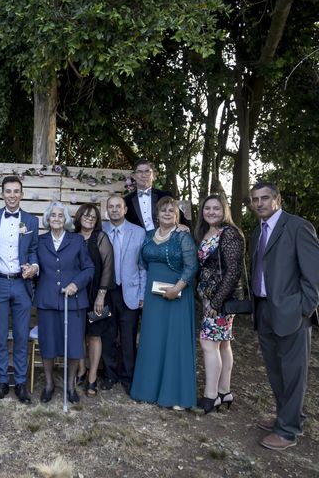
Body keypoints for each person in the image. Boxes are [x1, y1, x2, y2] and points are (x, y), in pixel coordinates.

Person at [249, 182, 319, 451]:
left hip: (292, 312)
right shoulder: (258, 232)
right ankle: (287, 415)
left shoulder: (298, 227)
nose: (259, 203)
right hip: (264, 308)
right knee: (276, 370)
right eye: (255, 199)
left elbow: (313, 275)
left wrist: (304, 309)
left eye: (265, 198)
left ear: (277, 199)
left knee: (293, 372)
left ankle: (288, 430)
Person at [130, 196, 198, 409]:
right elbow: (141, 264)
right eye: (163, 210)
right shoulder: (149, 236)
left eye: (172, 211)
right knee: (152, 340)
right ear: (156, 215)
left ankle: (176, 395)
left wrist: (177, 288)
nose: (167, 213)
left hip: (177, 294)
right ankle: (147, 390)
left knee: (174, 342)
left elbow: (192, 266)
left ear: (177, 215)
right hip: (153, 296)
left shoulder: (182, 237)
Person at [0, 176, 39, 404]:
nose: (12, 195)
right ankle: (1, 382)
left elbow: (34, 249)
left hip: (21, 283)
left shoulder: (31, 221)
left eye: (16, 191)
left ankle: (21, 383)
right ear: (2, 194)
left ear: (22, 194)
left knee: (20, 336)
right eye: (8, 191)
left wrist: (34, 267)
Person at [35, 201, 94, 404]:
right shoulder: (39, 241)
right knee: (48, 345)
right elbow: (34, 267)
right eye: (53, 215)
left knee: (74, 346)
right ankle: (49, 384)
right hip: (47, 301)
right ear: (48, 219)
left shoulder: (77, 241)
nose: (57, 219)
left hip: (74, 302)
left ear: (66, 219)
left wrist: (75, 285)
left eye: (61, 215)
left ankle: (70, 386)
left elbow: (89, 269)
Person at [194, 194, 245, 414]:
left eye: (216, 208)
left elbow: (233, 271)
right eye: (208, 208)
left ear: (224, 210)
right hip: (209, 297)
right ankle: (224, 391)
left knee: (208, 344)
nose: (212, 212)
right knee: (223, 343)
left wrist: (216, 302)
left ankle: (210, 396)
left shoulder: (230, 233)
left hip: (220, 299)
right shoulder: (205, 232)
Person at [102, 195, 146, 395]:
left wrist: (143, 294)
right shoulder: (101, 230)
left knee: (128, 338)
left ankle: (129, 377)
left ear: (125, 209)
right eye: (110, 207)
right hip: (106, 292)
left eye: (117, 206)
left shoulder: (139, 232)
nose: (114, 210)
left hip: (130, 291)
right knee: (108, 335)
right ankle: (110, 375)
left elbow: (143, 266)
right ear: (106, 210)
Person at [72, 203, 113, 397]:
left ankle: (93, 377)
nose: (89, 219)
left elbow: (108, 267)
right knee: (78, 334)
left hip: (98, 295)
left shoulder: (101, 238)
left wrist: (101, 294)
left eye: (93, 217)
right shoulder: (72, 238)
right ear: (79, 217)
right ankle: (81, 370)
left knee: (95, 335)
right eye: (86, 215)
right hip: (77, 295)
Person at [125, 159, 188, 230]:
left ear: (154, 175)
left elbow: (180, 217)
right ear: (134, 176)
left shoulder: (165, 196)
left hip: (163, 238)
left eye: (147, 171)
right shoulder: (127, 200)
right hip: (138, 239)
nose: (143, 175)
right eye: (139, 172)